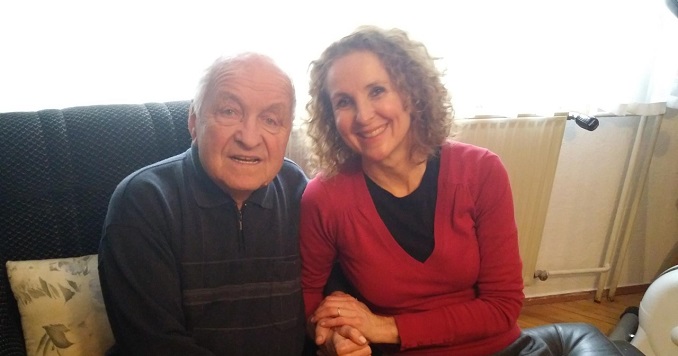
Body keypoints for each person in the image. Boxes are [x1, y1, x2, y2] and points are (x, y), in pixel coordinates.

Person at [300, 26, 528, 355]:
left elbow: (503, 306)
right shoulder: (324, 198)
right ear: (330, 117)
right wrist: (333, 336)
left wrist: (384, 327)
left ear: (411, 92)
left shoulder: (481, 171)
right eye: (344, 102)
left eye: (377, 91)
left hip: (495, 349)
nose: (363, 116)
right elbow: (308, 296)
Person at [98, 53, 310, 355]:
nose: (249, 138)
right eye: (229, 111)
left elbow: (323, 306)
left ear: (287, 132)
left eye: (271, 119)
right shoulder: (143, 201)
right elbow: (155, 345)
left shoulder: (298, 192)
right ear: (195, 123)